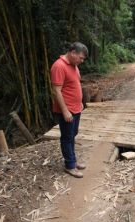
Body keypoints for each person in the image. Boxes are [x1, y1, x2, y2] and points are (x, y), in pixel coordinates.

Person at [51, 42, 88, 178]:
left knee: (72, 134)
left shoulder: (74, 65)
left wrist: (80, 103)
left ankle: (72, 160)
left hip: (76, 108)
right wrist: (65, 111)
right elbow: (56, 91)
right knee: (67, 137)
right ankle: (70, 165)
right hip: (67, 110)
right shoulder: (59, 66)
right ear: (73, 53)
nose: (82, 61)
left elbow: (74, 84)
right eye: (81, 58)